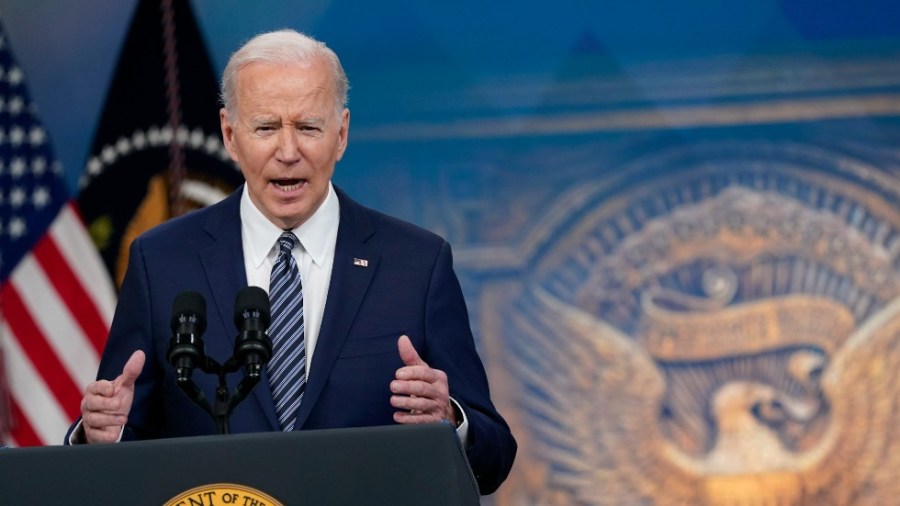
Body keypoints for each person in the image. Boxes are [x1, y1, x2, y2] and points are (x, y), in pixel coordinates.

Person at [65, 29, 516, 494]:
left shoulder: (417, 264)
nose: (287, 152)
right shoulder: (160, 261)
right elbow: (123, 446)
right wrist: (101, 434)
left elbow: (494, 457)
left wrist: (450, 419)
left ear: (340, 135)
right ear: (230, 135)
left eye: (307, 127)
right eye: (265, 128)